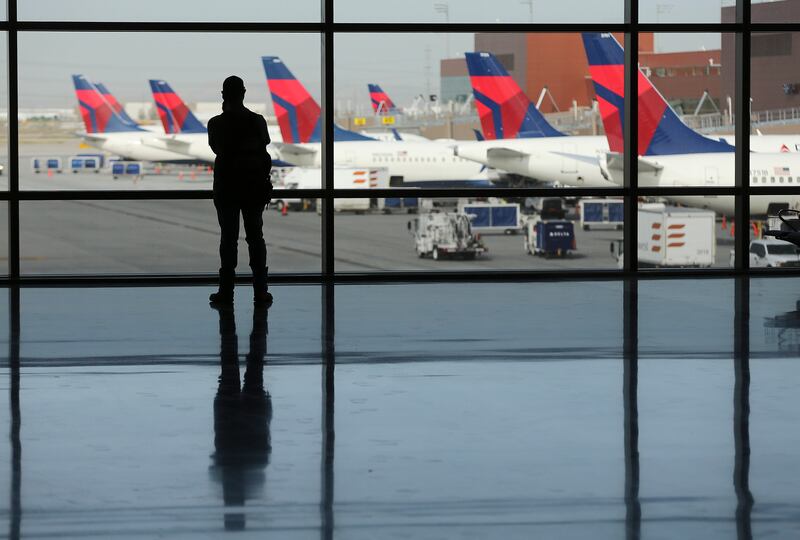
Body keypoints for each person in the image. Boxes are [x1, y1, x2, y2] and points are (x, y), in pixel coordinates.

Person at [208, 75, 273, 306]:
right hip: (253, 188)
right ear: (244, 93)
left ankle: (226, 292)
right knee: (256, 238)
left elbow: (219, 148)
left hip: (227, 188)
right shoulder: (257, 121)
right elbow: (263, 146)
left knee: (228, 239)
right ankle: (261, 291)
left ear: (224, 95)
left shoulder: (216, 123)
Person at [209, 304, 272, 531]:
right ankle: (257, 303)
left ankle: (249, 324)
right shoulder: (242, 471)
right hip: (243, 412)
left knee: (248, 363)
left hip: (246, 412)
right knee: (238, 363)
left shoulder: (246, 470)